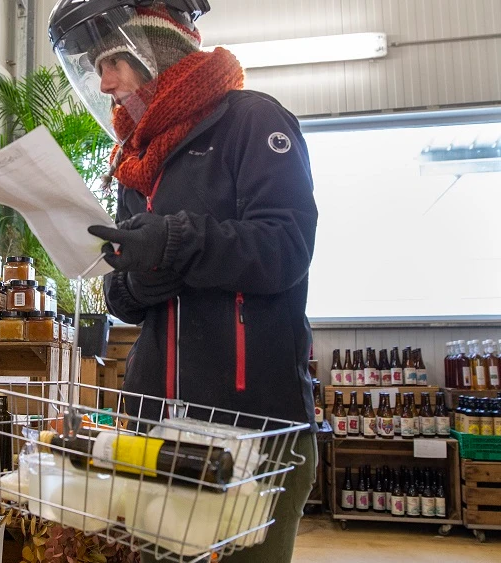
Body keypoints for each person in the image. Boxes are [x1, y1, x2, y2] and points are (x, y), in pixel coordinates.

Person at [49, 1, 319, 561]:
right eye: (94, 69)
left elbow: (286, 247)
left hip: (255, 430)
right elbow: (121, 293)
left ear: (157, 49)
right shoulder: (137, 159)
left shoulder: (254, 121)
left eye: (113, 63)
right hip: (155, 433)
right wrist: (137, 283)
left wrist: (176, 243)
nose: (103, 84)